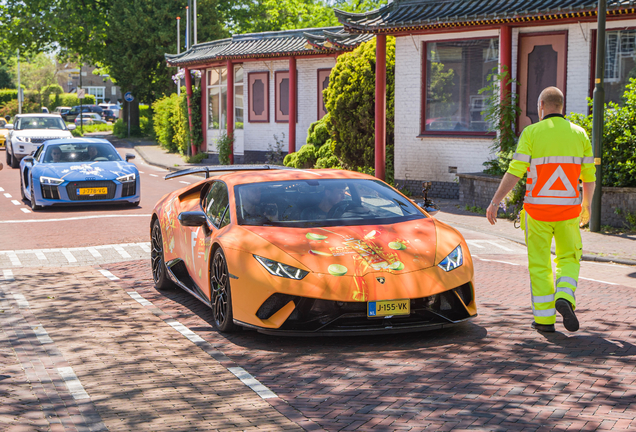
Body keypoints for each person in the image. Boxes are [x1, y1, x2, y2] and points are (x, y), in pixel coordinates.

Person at [486, 87, 595, 333]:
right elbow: (589, 177)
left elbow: (515, 171)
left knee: (540, 264)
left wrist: (495, 202)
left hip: (537, 213)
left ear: (541, 106)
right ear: (562, 106)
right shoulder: (580, 134)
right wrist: (586, 207)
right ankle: (565, 296)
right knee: (569, 258)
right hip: (569, 212)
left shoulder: (531, 133)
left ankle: (545, 321)